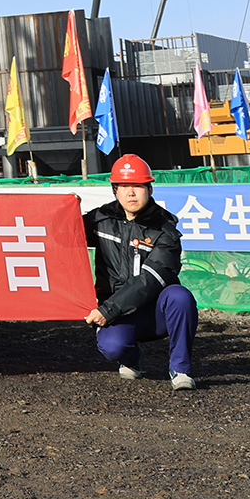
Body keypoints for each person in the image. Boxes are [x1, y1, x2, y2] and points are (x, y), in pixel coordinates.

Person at [86, 154, 198, 389]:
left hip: (155, 314)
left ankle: (180, 369)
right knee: (112, 347)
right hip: (118, 311)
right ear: (115, 190)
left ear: (149, 189)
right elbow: (62, 234)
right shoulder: (100, 219)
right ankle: (131, 358)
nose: (131, 193)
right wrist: (66, 207)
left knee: (180, 297)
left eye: (138, 186)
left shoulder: (165, 229)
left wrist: (107, 310)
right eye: (124, 186)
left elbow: (151, 279)